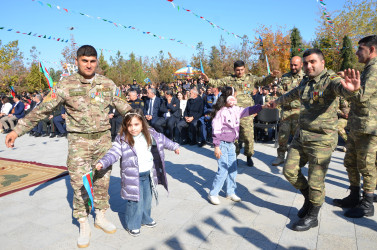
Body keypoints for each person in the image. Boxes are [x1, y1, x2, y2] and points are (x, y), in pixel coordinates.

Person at [5, 45, 131, 248]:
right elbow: (42, 110)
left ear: (96, 61)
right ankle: (83, 223)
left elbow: (126, 108)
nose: (89, 65)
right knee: (79, 184)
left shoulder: (107, 84)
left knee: (102, 181)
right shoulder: (65, 85)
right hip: (79, 143)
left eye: (92, 61)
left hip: (103, 142)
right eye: (84, 61)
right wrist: (17, 130)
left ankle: (100, 216)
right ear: (77, 61)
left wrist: (142, 129)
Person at [268, 48, 360, 231]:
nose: (308, 66)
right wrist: (276, 102)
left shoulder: (330, 80)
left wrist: (351, 90)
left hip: (322, 140)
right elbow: (293, 93)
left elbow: (342, 89)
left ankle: (313, 215)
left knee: (316, 180)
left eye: (312, 62)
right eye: (306, 63)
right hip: (302, 136)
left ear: (322, 63)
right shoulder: (305, 81)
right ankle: (309, 199)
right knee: (289, 171)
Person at [95, 109, 180, 236]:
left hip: (148, 173)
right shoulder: (122, 139)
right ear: (125, 126)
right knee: (135, 201)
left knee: (146, 198)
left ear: (142, 124)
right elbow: (113, 153)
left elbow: (163, 140)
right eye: (129, 125)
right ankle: (132, 224)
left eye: (136, 124)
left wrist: (174, 146)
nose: (133, 128)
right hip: (132, 176)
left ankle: (145, 219)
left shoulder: (150, 134)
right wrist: (103, 162)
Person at [201, 60, 279, 166]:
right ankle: (235, 155)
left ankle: (249, 155)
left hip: (246, 112)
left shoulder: (251, 78)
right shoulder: (229, 79)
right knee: (234, 137)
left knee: (248, 136)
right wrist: (207, 80)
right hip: (233, 113)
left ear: (245, 69)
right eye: (237, 70)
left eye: (242, 70)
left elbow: (263, 81)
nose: (240, 72)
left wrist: (272, 76)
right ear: (234, 70)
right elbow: (217, 83)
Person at [333, 35, 377, 218]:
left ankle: (367, 202)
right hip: (357, 124)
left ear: (372, 50)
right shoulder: (367, 69)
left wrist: (351, 89)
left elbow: (361, 96)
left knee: (367, 166)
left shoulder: (375, 70)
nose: (357, 52)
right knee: (350, 161)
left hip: (369, 127)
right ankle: (353, 195)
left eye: (360, 48)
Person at [208, 87, 264, 205]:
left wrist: (261, 106)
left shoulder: (235, 109)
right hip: (222, 145)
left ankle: (230, 191)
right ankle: (213, 193)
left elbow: (247, 110)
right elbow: (216, 130)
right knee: (223, 170)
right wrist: (216, 146)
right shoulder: (220, 112)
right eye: (235, 95)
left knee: (233, 169)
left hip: (232, 144)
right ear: (229, 97)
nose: (236, 98)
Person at [272, 56, 305, 166]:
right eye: (291, 64)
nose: (293, 67)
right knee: (282, 136)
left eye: (295, 65)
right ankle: (280, 156)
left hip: (298, 112)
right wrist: (293, 93)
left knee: (298, 137)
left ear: (301, 64)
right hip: (286, 111)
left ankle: (297, 159)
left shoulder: (306, 77)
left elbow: (304, 93)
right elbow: (279, 90)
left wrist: (289, 93)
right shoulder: (285, 77)